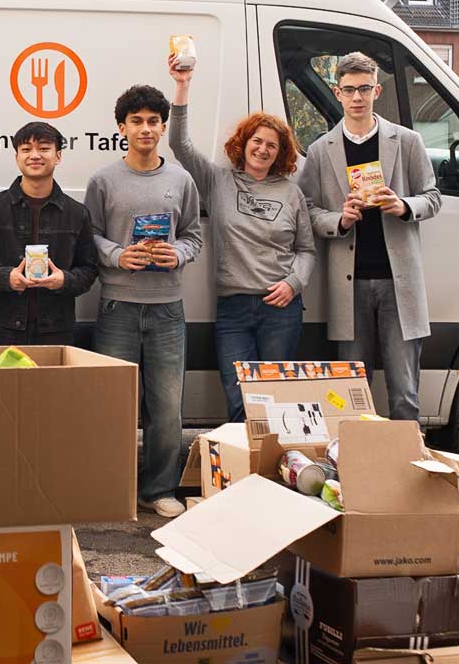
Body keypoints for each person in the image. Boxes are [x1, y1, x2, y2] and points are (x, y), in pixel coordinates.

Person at [166, 54, 317, 422]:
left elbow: (306, 249)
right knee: (237, 398)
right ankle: (241, 471)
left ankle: (270, 472)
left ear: (280, 154)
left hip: (280, 309)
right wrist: (182, 86)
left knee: (276, 402)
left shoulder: (290, 192)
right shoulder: (218, 181)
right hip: (233, 307)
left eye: (272, 145)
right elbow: (179, 145)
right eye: (257, 141)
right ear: (243, 142)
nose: (263, 149)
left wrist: (294, 283)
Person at [298, 51, 442, 422]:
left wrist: (403, 205)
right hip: (350, 286)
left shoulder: (407, 141)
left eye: (364, 88)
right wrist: (340, 220)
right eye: (349, 90)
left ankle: (408, 471)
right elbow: (309, 211)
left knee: (405, 391)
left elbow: (433, 196)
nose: (357, 97)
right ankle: (359, 469)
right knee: (351, 394)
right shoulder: (319, 150)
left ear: (377, 90)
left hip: (400, 284)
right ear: (337, 92)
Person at [84, 86, 202, 518]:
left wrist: (179, 252)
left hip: (168, 307)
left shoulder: (181, 180)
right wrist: (118, 254)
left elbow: (193, 235)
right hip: (117, 305)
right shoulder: (102, 180)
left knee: (167, 409)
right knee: (113, 405)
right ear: (122, 128)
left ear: (162, 127)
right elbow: (89, 237)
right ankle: (111, 489)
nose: (146, 128)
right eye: (136, 121)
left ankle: (158, 490)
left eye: (153, 121)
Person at [0, 122, 97, 346]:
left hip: (57, 329)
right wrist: (6, 277)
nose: (35, 155)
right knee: (4, 383)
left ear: (58, 156)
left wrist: (65, 280)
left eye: (43, 148)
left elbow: (89, 270)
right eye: (26, 149)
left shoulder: (77, 213)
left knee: (54, 383)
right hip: (3, 329)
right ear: (16, 157)